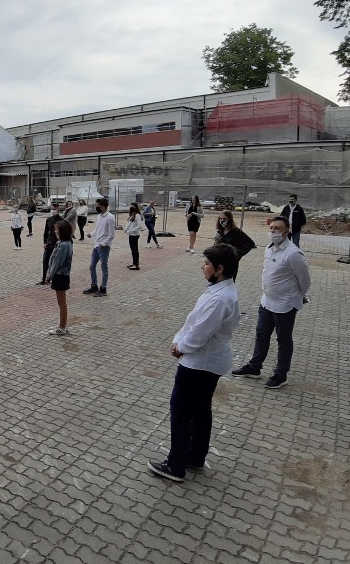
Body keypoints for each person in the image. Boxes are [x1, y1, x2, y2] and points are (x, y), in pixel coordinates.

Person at [147, 244, 241, 483]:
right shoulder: (219, 290)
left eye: (207, 264)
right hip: (204, 360)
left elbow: (200, 333)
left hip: (200, 364)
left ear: (220, 269)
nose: (203, 267)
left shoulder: (220, 299)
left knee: (180, 411)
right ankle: (195, 456)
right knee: (200, 410)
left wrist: (180, 347)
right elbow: (193, 321)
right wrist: (178, 340)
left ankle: (176, 464)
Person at [231, 216, 311, 389]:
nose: (273, 231)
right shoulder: (269, 248)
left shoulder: (293, 254)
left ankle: (281, 375)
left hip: (285, 305)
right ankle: (254, 367)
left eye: (278, 229)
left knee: (283, 340)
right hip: (267, 301)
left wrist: (298, 295)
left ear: (286, 231)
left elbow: (305, 280)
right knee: (261, 335)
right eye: (272, 228)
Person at [44, 221, 74, 336]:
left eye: (56, 229)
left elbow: (57, 262)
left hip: (61, 276)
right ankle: (63, 324)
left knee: (61, 302)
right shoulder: (62, 242)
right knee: (61, 302)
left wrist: (49, 275)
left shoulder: (63, 245)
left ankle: (62, 326)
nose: (55, 231)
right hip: (60, 275)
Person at [83, 197, 114, 296]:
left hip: (104, 246)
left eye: (98, 206)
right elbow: (97, 229)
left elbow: (111, 235)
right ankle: (94, 285)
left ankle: (103, 288)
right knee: (92, 265)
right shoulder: (99, 216)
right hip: (96, 245)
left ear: (103, 206)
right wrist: (91, 234)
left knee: (103, 267)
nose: (96, 207)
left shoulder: (110, 217)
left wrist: (104, 244)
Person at [38, 204, 63, 285]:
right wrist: (45, 242)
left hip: (57, 245)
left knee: (55, 263)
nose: (53, 210)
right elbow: (45, 232)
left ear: (58, 209)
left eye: (54, 209)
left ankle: (54, 278)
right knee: (45, 261)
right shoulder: (49, 220)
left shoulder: (62, 220)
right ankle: (44, 278)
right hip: (49, 244)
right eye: (52, 209)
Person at [123, 202, 144, 270]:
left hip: (135, 235)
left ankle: (136, 265)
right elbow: (129, 223)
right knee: (133, 250)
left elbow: (140, 226)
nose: (131, 208)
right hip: (131, 234)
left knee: (135, 250)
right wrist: (126, 229)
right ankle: (134, 263)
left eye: (132, 207)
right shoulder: (132, 215)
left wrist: (132, 230)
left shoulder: (137, 215)